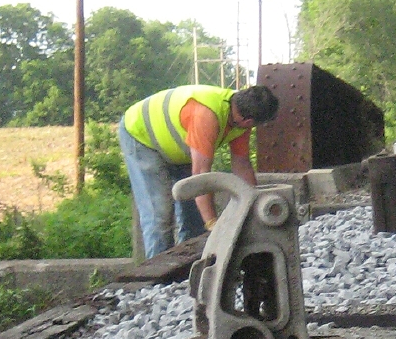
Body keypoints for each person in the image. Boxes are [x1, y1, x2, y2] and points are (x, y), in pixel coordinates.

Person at [118, 83, 279, 258]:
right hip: (141, 136)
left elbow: (241, 165)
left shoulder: (239, 116)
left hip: (177, 146)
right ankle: (157, 277)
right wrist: (213, 224)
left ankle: (185, 268)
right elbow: (201, 177)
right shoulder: (207, 115)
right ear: (249, 122)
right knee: (159, 213)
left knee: (193, 217)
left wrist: (253, 205)